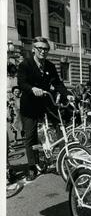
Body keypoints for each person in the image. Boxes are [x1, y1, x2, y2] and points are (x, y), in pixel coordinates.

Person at [18, 36, 73, 181]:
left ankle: (64, 157)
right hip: (29, 104)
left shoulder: (50, 66)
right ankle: (32, 167)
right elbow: (22, 83)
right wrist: (32, 88)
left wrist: (68, 95)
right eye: (40, 48)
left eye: (46, 49)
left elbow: (58, 83)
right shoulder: (25, 64)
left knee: (60, 125)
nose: (43, 51)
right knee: (30, 135)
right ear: (34, 49)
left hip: (46, 100)